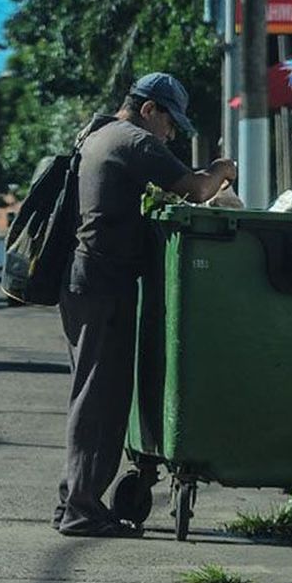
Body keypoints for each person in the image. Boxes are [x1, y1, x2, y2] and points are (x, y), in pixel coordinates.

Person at [54, 72, 237, 537]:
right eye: (169, 122)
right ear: (149, 109)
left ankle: (75, 500)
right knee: (100, 397)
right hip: (101, 281)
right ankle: (80, 509)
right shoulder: (133, 140)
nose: (170, 133)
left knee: (94, 393)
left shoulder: (97, 134)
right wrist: (224, 167)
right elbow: (195, 189)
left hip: (86, 279)